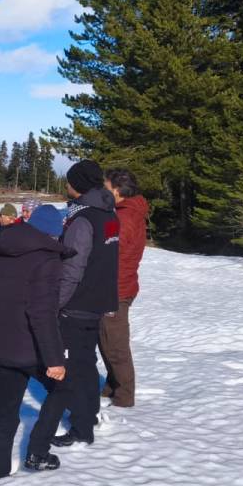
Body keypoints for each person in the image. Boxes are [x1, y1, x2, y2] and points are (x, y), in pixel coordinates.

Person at [0, 204, 71, 484]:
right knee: (63, 388)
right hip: (28, 348)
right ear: (53, 234)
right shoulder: (46, 260)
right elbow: (42, 314)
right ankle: (37, 453)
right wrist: (55, 359)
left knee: (5, 414)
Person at [36, 160, 119, 453]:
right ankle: (89, 417)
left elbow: (73, 268)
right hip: (97, 300)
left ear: (79, 185)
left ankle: (82, 427)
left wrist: (55, 304)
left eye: (69, 180)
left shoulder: (83, 220)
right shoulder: (108, 213)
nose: (65, 185)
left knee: (73, 367)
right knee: (85, 362)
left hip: (77, 303)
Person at [100, 169, 148, 407]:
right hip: (117, 285)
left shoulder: (122, 218)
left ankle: (124, 397)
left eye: (106, 188)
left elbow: (109, 250)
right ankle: (112, 386)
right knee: (107, 340)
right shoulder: (125, 213)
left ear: (117, 191)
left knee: (115, 344)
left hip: (116, 289)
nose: (103, 192)